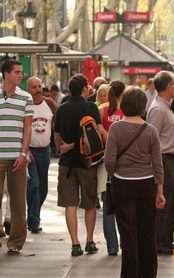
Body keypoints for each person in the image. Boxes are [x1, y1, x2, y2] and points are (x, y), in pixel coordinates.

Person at [105, 86, 165, 278]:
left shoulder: (116, 128)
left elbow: (109, 160)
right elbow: (158, 164)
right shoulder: (151, 130)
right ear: (143, 106)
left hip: (123, 183)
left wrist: (114, 176)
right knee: (147, 232)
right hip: (147, 184)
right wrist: (160, 191)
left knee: (128, 233)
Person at [54, 74, 102, 256]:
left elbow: (57, 136)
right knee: (89, 203)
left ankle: (75, 244)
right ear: (84, 89)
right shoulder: (91, 107)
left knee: (70, 204)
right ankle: (90, 241)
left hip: (66, 163)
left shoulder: (61, 109)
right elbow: (96, 135)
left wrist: (63, 149)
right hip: (87, 163)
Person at [146, 71, 174, 255]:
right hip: (164, 161)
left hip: (172, 161)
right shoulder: (158, 108)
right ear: (169, 87)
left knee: (171, 203)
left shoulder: (165, 107)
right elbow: (152, 139)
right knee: (163, 203)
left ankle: (167, 240)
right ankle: (160, 241)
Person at [0, 59, 33, 254]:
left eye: (21, 72)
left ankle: (16, 243)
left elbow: (28, 127)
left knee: (19, 201)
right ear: (6, 74)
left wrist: (23, 153)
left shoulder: (25, 98)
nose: (21, 75)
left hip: (17, 157)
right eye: (17, 72)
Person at [25, 77, 56, 233]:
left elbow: (59, 123)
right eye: (34, 87)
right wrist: (24, 149)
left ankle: (31, 215)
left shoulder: (49, 104)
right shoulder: (24, 105)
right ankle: (34, 220)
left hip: (45, 151)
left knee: (42, 188)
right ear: (27, 89)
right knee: (34, 184)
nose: (37, 89)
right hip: (30, 151)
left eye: (39, 86)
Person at [98, 80, 126, 255]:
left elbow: (99, 132)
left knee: (108, 204)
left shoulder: (101, 111)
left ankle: (112, 247)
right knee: (125, 205)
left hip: (105, 162)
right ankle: (125, 243)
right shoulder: (128, 111)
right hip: (124, 162)